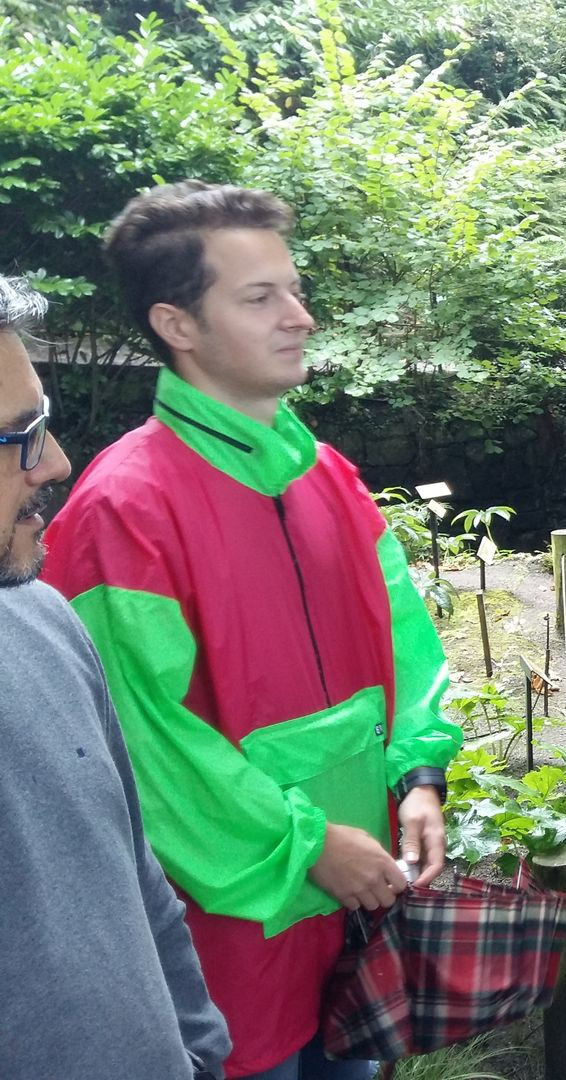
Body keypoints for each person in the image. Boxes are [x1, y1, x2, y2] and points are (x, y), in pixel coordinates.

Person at [42, 182, 463, 1080]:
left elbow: (406, 644)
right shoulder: (123, 508)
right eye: (260, 297)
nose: (301, 316)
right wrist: (310, 845)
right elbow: (142, 744)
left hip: (360, 914)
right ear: (177, 324)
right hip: (230, 942)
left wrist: (419, 778)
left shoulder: (330, 476)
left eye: (295, 289)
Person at [0, 275, 231, 1080]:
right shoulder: (127, 498)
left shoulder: (40, 617)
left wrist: (196, 1049)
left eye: (44, 424)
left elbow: (133, 872)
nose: (54, 463)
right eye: (16, 436)